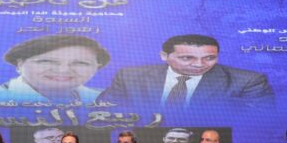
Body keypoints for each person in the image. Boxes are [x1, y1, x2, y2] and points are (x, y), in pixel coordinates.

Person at [98, 34, 274, 109]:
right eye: (187, 58)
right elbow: (105, 110)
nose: (199, 64)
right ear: (164, 56)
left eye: (209, 58)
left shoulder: (247, 81)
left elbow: (258, 123)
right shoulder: (129, 77)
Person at [2, 35, 110, 104]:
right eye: (46, 61)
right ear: (20, 64)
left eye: (80, 63)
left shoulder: (107, 99)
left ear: (96, 67)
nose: (63, 70)